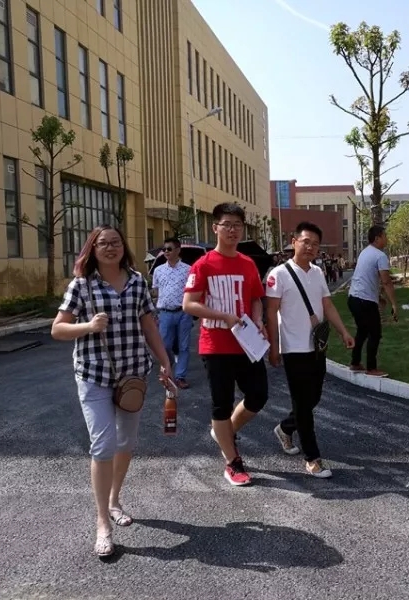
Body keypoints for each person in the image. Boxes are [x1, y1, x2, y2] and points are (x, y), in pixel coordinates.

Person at [52, 225, 172, 558]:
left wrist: (164, 361)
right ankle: (102, 521)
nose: (110, 247)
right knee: (103, 444)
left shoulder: (137, 281)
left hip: (132, 375)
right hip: (94, 374)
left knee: (126, 442)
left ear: (124, 247)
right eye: (103, 243)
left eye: (116, 242)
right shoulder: (81, 285)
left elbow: (148, 325)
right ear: (92, 249)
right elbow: (58, 329)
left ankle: (114, 499)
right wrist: (89, 326)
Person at [182, 203, 268, 487]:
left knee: (258, 395)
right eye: (227, 224)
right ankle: (232, 461)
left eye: (237, 225)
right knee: (221, 403)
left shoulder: (247, 263)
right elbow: (189, 304)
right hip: (216, 345)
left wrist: (258, 319)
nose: (232, 230)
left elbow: (255, 297)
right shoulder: (204, 265)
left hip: (247, 343)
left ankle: (224, 432)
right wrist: (224, 316)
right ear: (215, 227)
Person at [265, 222, 355, 477]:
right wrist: (274, 348)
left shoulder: (317, 273)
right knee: (303, 404)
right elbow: (271, 313)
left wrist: (343, 332)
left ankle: (285, 427)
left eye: (315, 244)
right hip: (293, 348)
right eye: (306, 242)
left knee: (313, 397)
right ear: (294, 242)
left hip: (317, 346)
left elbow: (327, 305)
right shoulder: (279, 274)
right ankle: (312, 458)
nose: (310, 247)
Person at [347, 225, 398, 377]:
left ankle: (355, 363)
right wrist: (394, 304)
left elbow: (366, 277)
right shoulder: (380, 256)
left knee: (362, 331)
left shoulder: (365, 252)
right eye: (384, 236)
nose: (386, 238)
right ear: (377, 238)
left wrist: (378, 296)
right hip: (364, 301)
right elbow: (386, 282)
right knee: (375, 333)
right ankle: (371, 368)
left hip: (353, 299)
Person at [151, 237, 192, 389]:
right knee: (164, 345)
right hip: (165, 313)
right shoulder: (158, 270)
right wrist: (155, 311)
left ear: (178, 250)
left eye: (169, 249)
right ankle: (168, 366)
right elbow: (156, 291)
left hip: (183, 313)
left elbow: (192, 291)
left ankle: (180, 376)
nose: (166, 252)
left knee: (184, 346)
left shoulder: (189, 270)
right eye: (164, 249)